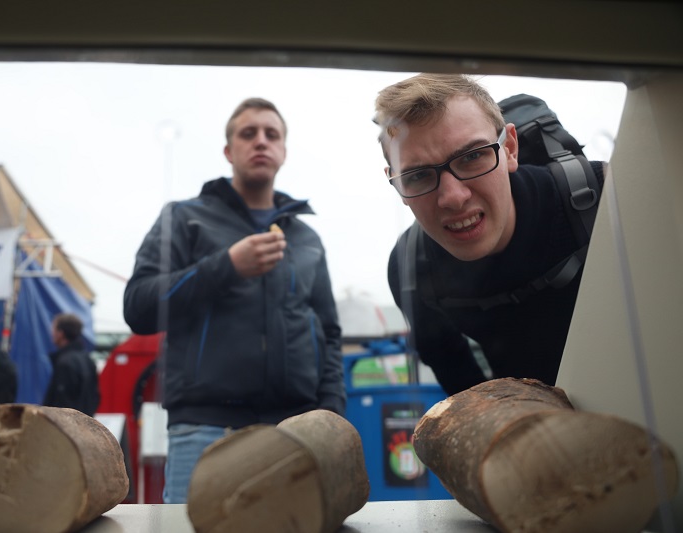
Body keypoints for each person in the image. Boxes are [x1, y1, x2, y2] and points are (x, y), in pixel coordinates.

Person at [123, 97, 345, 503]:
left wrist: (329, 413)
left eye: (271, 134)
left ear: (283, 151)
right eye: (248, 134)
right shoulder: (184, 218)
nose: (260, 141)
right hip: (206, 431)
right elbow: (138, 306)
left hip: (297, 431)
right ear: (229, 151)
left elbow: (329, 332)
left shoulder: (306, 239)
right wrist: (225, 266)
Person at [376, 74, 604, 396]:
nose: (453, 197)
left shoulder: (603, 200)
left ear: (510, 148)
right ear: (396, 184)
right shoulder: (410, 268)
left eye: (472, 156)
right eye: (418, 176)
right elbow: (466, 394)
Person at [43, 312, 100, 416]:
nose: (51, 333)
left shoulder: (65, 363)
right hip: (86, 425)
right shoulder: (88, 360)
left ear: (61, 333)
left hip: (67, 428)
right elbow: (95, 397)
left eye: (54, 329)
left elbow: (61, 405)